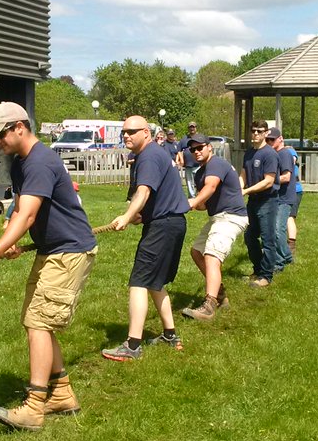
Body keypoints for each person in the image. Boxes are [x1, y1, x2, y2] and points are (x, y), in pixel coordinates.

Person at [0, 102, 97, 431]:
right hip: (51, 249)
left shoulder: (40, 161)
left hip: (69, 251)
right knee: (35, 321)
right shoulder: (20, 163)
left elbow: (28, 216)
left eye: (0, 134)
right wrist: (8, 239)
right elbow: (19, 209)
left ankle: (34, 407)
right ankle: (62, 394)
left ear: (19, 127)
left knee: (39, 323)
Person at [101, 115, 191, 361]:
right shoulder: (155, 153)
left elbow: (144, 191)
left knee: (139, 281)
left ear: (146, 133)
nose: (126, 135)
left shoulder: (149, 156)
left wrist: (127, 215)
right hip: (171, 222)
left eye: (132, 131)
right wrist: (141, 216)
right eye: (124, 132)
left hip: (164, 226)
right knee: (155, 282)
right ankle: (170, 335)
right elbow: (158, 194)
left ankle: (132, 346)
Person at [181, 132, 247, 321]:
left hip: (232, 216)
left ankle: (209, 306)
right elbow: (204, 203)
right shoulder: (199, 173)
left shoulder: (216, 164)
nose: (196, 151)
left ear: (209, 147)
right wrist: (189, 204)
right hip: (217, 217)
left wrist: (193, 202)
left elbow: (210, 187)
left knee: (211, 255)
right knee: (197, 251)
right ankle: (219, 293)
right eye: (192, 149)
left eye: (200, 147)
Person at [241, 119, 280, 287]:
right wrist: (239, 187)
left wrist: (246, 191)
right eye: (253, 130)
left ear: (266, 133)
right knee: (250, 236)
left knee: (267, 239)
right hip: (253, 201)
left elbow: (268, 181)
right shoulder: (249, 153)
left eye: (259, 131)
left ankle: (266, 276)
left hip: (267, 201)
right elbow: (243, 173)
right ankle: (257, 270)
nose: (256, 133)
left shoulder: (270, 154)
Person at [266, 128, 296, 270]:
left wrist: (267, 180)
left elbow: (286, 177)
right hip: (276, 198)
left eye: (272, 139)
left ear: (280, 139)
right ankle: (287, 256)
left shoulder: (284, 154)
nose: (269, 142)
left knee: (278, 230)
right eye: (267, 140)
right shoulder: (275, 154)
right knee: (274, 230)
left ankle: (278, 263)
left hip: (284, 198)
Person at [285, 142, 303, 257]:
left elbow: (292, 159)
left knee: (290, 217)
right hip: (286, 191)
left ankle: (291, 246)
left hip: (295, 190)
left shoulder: (290, 151)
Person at [176, 122, 201, 198]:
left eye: (193, 127)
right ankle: (191, 197)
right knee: (189, 182)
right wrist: (181, 159)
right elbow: (179, 149)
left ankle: (199, 197)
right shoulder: (184, 139)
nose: (192, 128)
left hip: (198, 164)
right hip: (188, 165)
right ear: (188, 128)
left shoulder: (199, 138)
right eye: (190, 127)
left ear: (196, 128)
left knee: (199, 181)